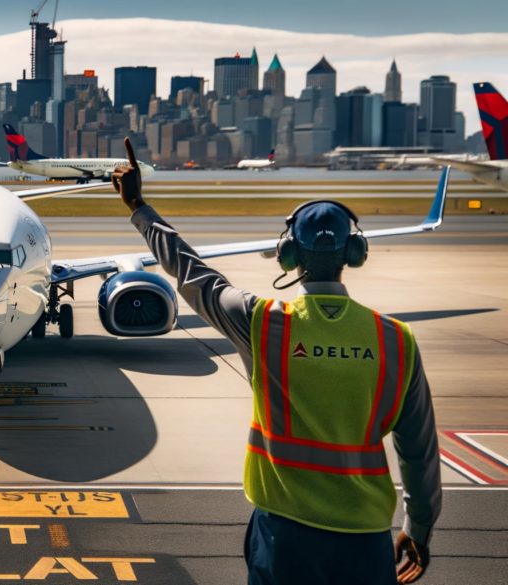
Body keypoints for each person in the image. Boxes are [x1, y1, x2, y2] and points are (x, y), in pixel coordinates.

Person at [112, 138, 441, 585]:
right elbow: (419, 454)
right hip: (365, 539)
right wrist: (418, 528)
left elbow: (190, 271)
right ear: (354, 255)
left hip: (285, 536)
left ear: (287, 256)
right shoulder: (397, 340)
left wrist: (138, 207)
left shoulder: (263, 322)